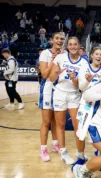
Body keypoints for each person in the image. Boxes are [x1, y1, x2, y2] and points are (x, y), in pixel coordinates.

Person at [49, 37, 84, 165]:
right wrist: (56, 73)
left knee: (77, 125)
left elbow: (80, 86)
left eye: (75, 44)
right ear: (67, 46)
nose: (73, 46)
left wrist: (75, 80)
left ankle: (80, 154)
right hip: (59, 93)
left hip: (74, 95)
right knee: (60, 124)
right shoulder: (60, 58)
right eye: (70, 44)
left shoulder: (84, 63)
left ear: (79, 45)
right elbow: (52, 78)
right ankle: (63, 152)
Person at [76, 47, 101, 170]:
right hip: (85, 104)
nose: (99, 56)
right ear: (91, 55)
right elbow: (81, 87)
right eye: (96, 54)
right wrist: (87, 80)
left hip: (100, 104)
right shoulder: (84, 68)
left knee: (99, 130)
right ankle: (80, 156)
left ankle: (100, 156)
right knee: (81, 131)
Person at [38, 33, 64, 161]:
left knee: (56, 121)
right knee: (46, 121)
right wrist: (53, 60)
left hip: (60, 89)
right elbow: (44, 74)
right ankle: (43, 149)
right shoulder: (45, 53)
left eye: (61, 39)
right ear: (51, 40)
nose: (59, 40)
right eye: (57, 38)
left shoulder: (64, 54)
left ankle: (55, 144)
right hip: (48, 89)